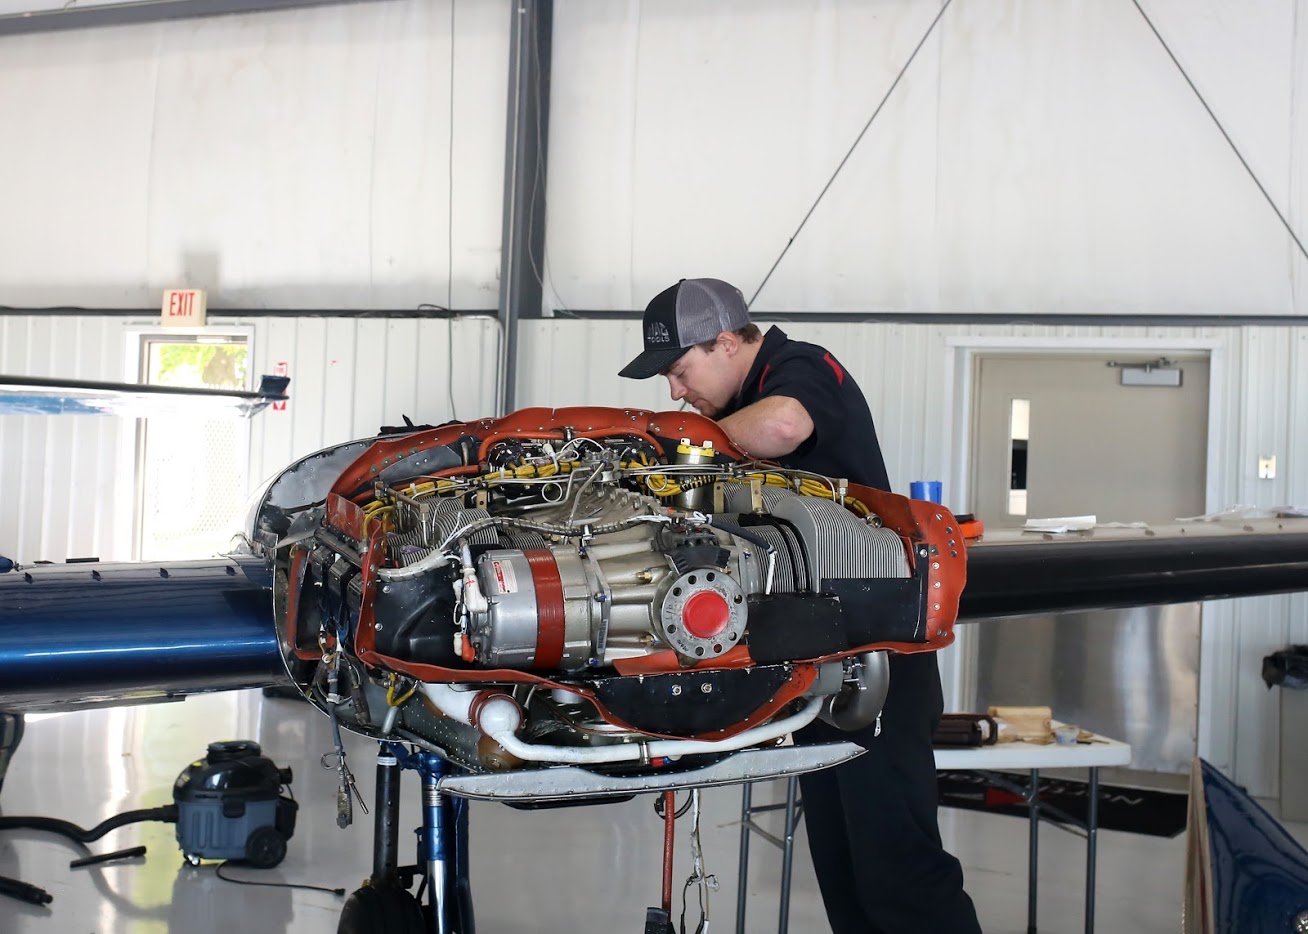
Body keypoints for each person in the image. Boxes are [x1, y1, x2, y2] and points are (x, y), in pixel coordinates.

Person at [619, 277, 980, 934]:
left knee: (901, 876)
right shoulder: (742, 399)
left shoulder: (801, 367)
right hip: (818, 662)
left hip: (878, 658)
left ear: (726, 342)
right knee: (844, 877)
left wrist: (678, 446)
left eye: (680, 371)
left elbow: (785, 426)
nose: (675, 392)